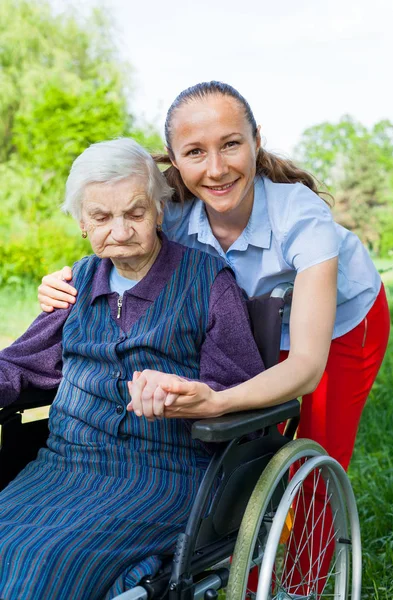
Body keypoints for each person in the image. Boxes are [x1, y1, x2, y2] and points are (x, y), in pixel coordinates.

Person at [38, 81, 390, 592]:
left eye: (231, 144)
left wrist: (216, 402)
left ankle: (303, 583)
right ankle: (243, 559)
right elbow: (114, 238)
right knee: (249, 453)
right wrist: (65, 280)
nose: (217, 168)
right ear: (175, 164)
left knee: (312, 453)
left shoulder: (300, 218)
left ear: (256, 141)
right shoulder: (171, 213)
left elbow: (307, 367)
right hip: (249, 319)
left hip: (337, 326)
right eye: (196, 152)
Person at [0, 138, 265, 600]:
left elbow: (237, 385)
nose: (119, 231)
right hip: (63, 467)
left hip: (164, 475)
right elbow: (23, 364)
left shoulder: (208, 281)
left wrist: (186, 393)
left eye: (135, 213)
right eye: (101, 217)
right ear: (82, 223)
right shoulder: (74, 285)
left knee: (44, 561)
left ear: (160, 211)